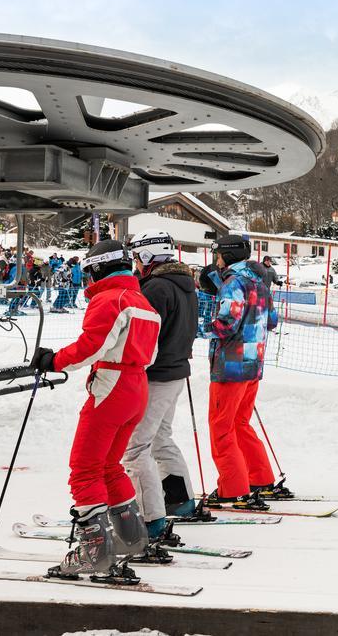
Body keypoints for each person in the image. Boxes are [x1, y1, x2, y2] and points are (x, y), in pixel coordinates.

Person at [29, 240, 161, 578]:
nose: (88, 279)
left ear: (99, 267)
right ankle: (132, 539)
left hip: (112, 387)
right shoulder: (141, 300)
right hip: (137, 386)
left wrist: (54, 360)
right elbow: (151, 353)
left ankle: (95, 553)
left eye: (90, 271)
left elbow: (93, 346)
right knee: (109, 465)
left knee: (85, 468)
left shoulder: (110, 298)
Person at [121, 230, 200, 544]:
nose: (136, 265)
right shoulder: (184, 283)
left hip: (157, 375)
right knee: (159, 439)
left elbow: (146, 334)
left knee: (135, 447)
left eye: (138, 257)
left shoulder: (155, 288)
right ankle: (181, 500)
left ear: (149, 257)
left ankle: (150, 519)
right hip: (175, 372)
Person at [202, 235, 280, 510]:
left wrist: (201, 328)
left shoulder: (233, 283)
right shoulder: (259, 282)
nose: (217, 260)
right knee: (239, 423)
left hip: (230, 366)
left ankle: (233, 488)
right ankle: (259, 478)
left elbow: (226, 322)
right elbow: (271, 321)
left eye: (218, 255)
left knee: (221, 427)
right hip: (252, 364)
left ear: (227, 255)